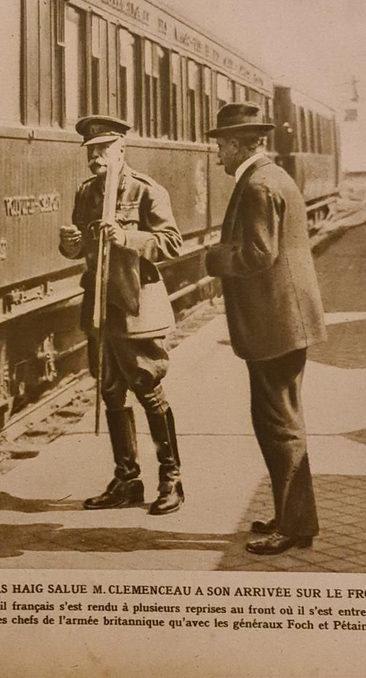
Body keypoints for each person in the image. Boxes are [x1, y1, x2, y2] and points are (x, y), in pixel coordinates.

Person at [205, 102, 327, 555]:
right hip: (284, 323)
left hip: (276, 325)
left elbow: (258, 254)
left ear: (239, 145)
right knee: (280, 423)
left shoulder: (257, 185)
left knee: (280, 427)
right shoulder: (273, 177)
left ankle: (293, 528)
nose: (218, 154)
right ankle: (292, 517)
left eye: (221, 145)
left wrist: (215, 257)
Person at [59, 115, 184, 515]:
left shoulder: (147, 190)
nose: (95, 158)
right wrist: (71, 244)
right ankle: (127, 479)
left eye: (103, 149)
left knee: (148, 388)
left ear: (121, 149)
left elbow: (172, 243)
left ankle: (172, 480)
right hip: (101, 307)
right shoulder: (87, 193)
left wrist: (128, 237)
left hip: (137, 307)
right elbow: (81, 249)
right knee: (111, 391)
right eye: (91, 151)